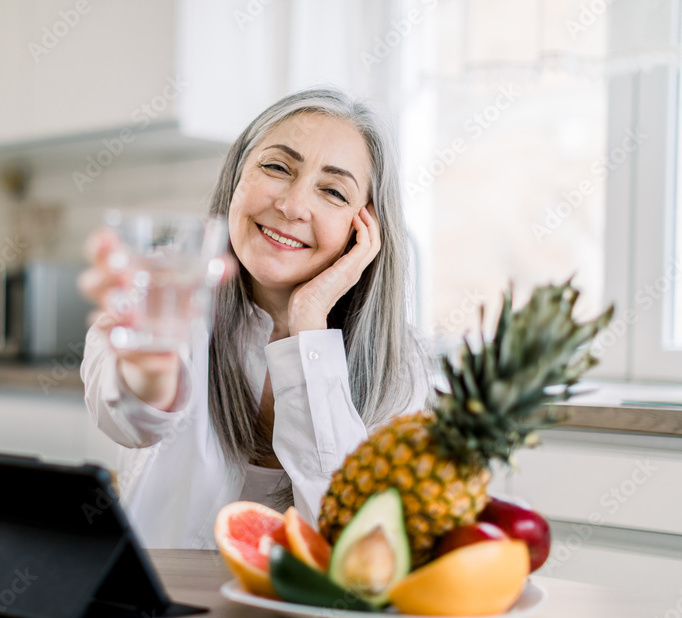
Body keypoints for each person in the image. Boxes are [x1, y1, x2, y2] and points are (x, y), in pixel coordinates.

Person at [79, 88, 433, 549]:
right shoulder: (167, 293)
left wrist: (308, 326)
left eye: (332, 191)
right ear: (237, 178)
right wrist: (151, 371)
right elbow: (130, 422)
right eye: (277, 167)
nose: (291, 206)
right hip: (161, 604)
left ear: (363, 229)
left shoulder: (400, 365)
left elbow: (351, 537)